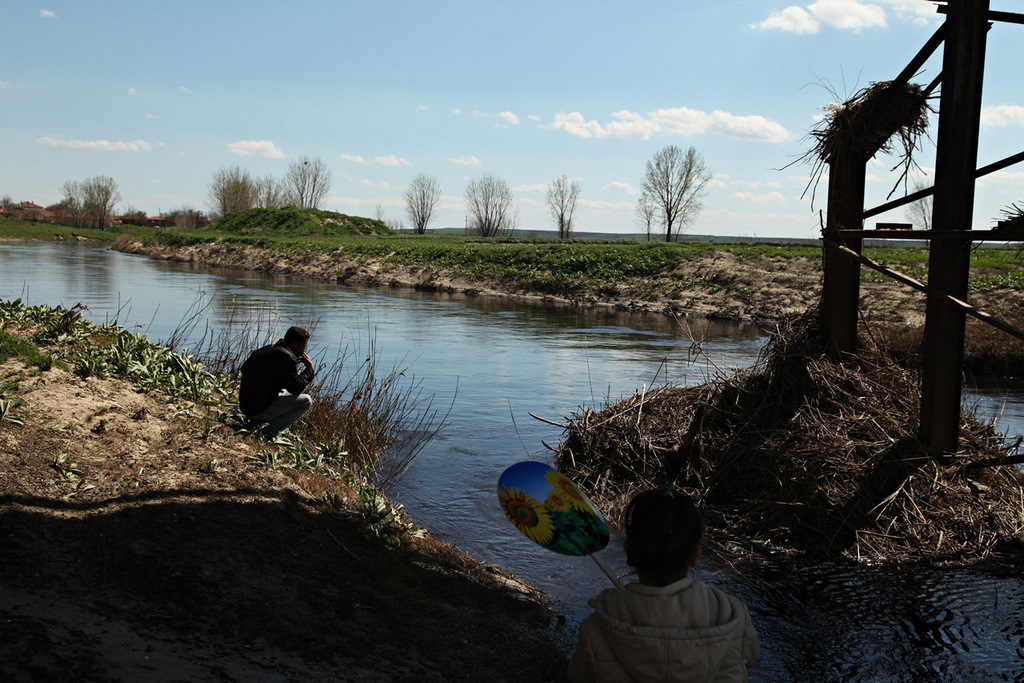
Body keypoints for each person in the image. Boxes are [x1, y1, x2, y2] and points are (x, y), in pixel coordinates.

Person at [568, 488, 760, 682]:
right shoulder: (733, 615)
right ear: (695, 556)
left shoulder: (597, 627)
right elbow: (752, 658)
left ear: (627, 551)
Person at [238, 326, 315, 439]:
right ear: (294, 343)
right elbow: (297, 388)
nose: (304, 351)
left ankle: (256, 422)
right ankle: (269, 432)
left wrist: (272, 385)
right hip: (257, 411)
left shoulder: (267, 349)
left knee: (286, 392)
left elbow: (244, 369)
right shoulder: (286, 358)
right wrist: (309, 368)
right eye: (303, 346)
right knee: (306, 401)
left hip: (246, 406)